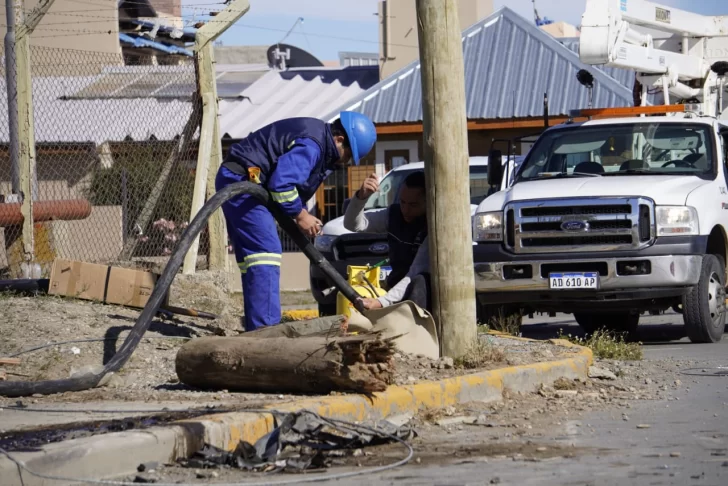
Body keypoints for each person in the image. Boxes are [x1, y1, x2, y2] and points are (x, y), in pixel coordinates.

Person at [216, 112, 376, 331]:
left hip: (245, 180)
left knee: (253, 259)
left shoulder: (317, 141)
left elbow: (287, 184)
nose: (344, 161)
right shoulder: (313, 145)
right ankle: (266, 331)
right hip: (244, 181)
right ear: (339, 139)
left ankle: (257, 326)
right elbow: (281, 185)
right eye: (348, 155)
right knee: (266, 253)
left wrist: (300, 215)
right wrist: (301, 215)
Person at [343, 170, 432, 312]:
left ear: (428, 202)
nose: (406, 210)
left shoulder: (432, 228)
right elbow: (353, 225)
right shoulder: (392, 215)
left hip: (420, 297)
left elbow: (414, 272)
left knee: (419, 281)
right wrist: (361, 198)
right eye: (402, 202)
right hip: (394, 290)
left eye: (413, 205)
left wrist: (381, 302)